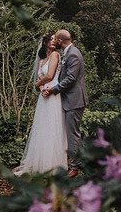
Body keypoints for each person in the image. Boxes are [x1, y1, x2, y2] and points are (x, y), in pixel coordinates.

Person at [13, 33, 68, 174]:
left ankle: (52, 165)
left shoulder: (55, 55)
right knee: (42, 128)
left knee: (52, 126)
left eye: (55, 40)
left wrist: (39, 84)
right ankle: (39, 161)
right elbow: (39, 81)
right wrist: (41, 88)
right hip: (43, 95)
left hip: (54, 93)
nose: (54, 41)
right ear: (45, 42)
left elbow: (49, 76)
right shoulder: (42, 59)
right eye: (51, 39)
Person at [41, 29, 88, 177]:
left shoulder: (73, 53)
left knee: (72, 134)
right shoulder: (68, 53)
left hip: (74, 100)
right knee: (72, 133)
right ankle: (79, 162)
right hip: (70, 99)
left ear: (61, 41)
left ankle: (74, 168)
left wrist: (53, 90)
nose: (55, 42)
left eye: (56, 39)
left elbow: (71, 79)